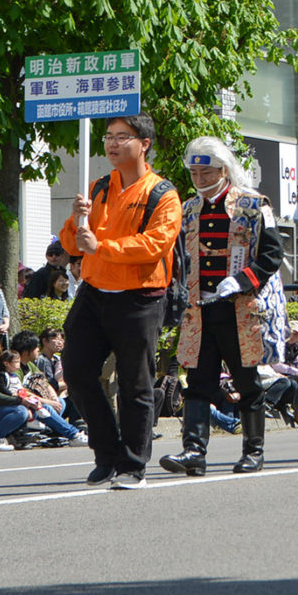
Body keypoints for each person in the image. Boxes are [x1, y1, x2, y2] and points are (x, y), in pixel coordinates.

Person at [59, 113, 182, 489]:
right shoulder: (98, 187)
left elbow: (154, 246)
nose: (112, 144)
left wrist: (102, 246)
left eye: (122, 137)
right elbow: (70, 245)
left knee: (135, 383)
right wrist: (76, 223)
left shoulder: (163, 194)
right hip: (95, 294)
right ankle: (107, 452)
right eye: (109, 137)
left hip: (140, 297)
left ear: (144, 144)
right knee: (77, 371)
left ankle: (132, 464)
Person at [160, 137, 290, 477]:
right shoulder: (187, 209)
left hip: (239, 309)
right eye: (194, 173)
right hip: (198, 311)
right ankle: (194, 451)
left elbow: (272, 255)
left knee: (247, 382)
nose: (200, 180)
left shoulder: (254, 204)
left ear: (223, 170)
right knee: (198, 382)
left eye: (206, 172)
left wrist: (245, 279)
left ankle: (253, 451)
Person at [0, 349, 85, 445]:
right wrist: (20, 397)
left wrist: (52, 398)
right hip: (18, 403)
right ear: (6, 364)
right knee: (46, 408)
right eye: (16, 362)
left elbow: (43, 383)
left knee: (60, 402)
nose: (18, 364)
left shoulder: (20, 372)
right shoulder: (4, 376)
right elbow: (7, 391)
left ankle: (57, 429)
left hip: (25, 401)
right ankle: (73, 434)